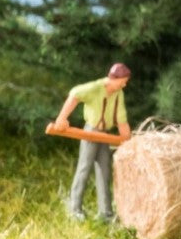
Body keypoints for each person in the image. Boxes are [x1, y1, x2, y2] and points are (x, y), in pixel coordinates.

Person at [52, 63, 132, 222]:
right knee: (84, 168)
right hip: (90, 132)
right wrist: (61, 118)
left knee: (104, 171)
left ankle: (105, 213)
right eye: (122, 81)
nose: (124, 85)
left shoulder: (118, 94)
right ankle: (74, 208)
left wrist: (127, 139)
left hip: (104, 135)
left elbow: (121, 119)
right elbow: (75, 94)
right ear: (113, 78)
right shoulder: (96, 88)